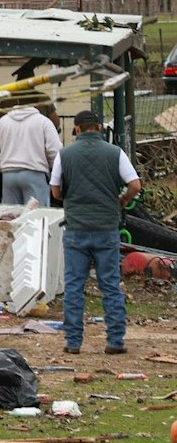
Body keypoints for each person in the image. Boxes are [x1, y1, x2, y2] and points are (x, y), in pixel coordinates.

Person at [51, 110, 141, 356]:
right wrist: (122, 199)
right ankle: (115, 340)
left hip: (76, 228)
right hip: (106, 228)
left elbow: (55, 190)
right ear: (99, 128)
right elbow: (135, 184)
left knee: (74, 286)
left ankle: (73, 342)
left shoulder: (64, 154)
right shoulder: (115, 153)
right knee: (110, 285)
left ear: (77, 129)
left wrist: (70, 197)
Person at [0, 101, 62, 206]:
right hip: (35, 173)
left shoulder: (2, 122)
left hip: (8, 175)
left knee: (10, 213)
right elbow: (55, 150)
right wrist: (51, 166)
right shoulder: (43, 121)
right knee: (36, 214)